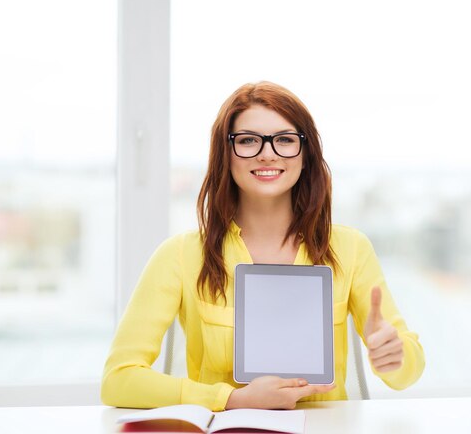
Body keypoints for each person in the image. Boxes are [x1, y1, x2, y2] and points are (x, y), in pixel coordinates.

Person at [101, 81, 425, 411]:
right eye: (248, 140)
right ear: (225, 154)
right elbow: (118, 380)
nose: (267, 153)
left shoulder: (350, 248)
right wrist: (231, 399)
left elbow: (406, 375)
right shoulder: (180, 255)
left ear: (306, 154)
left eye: (284, 139)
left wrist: (392, 354)